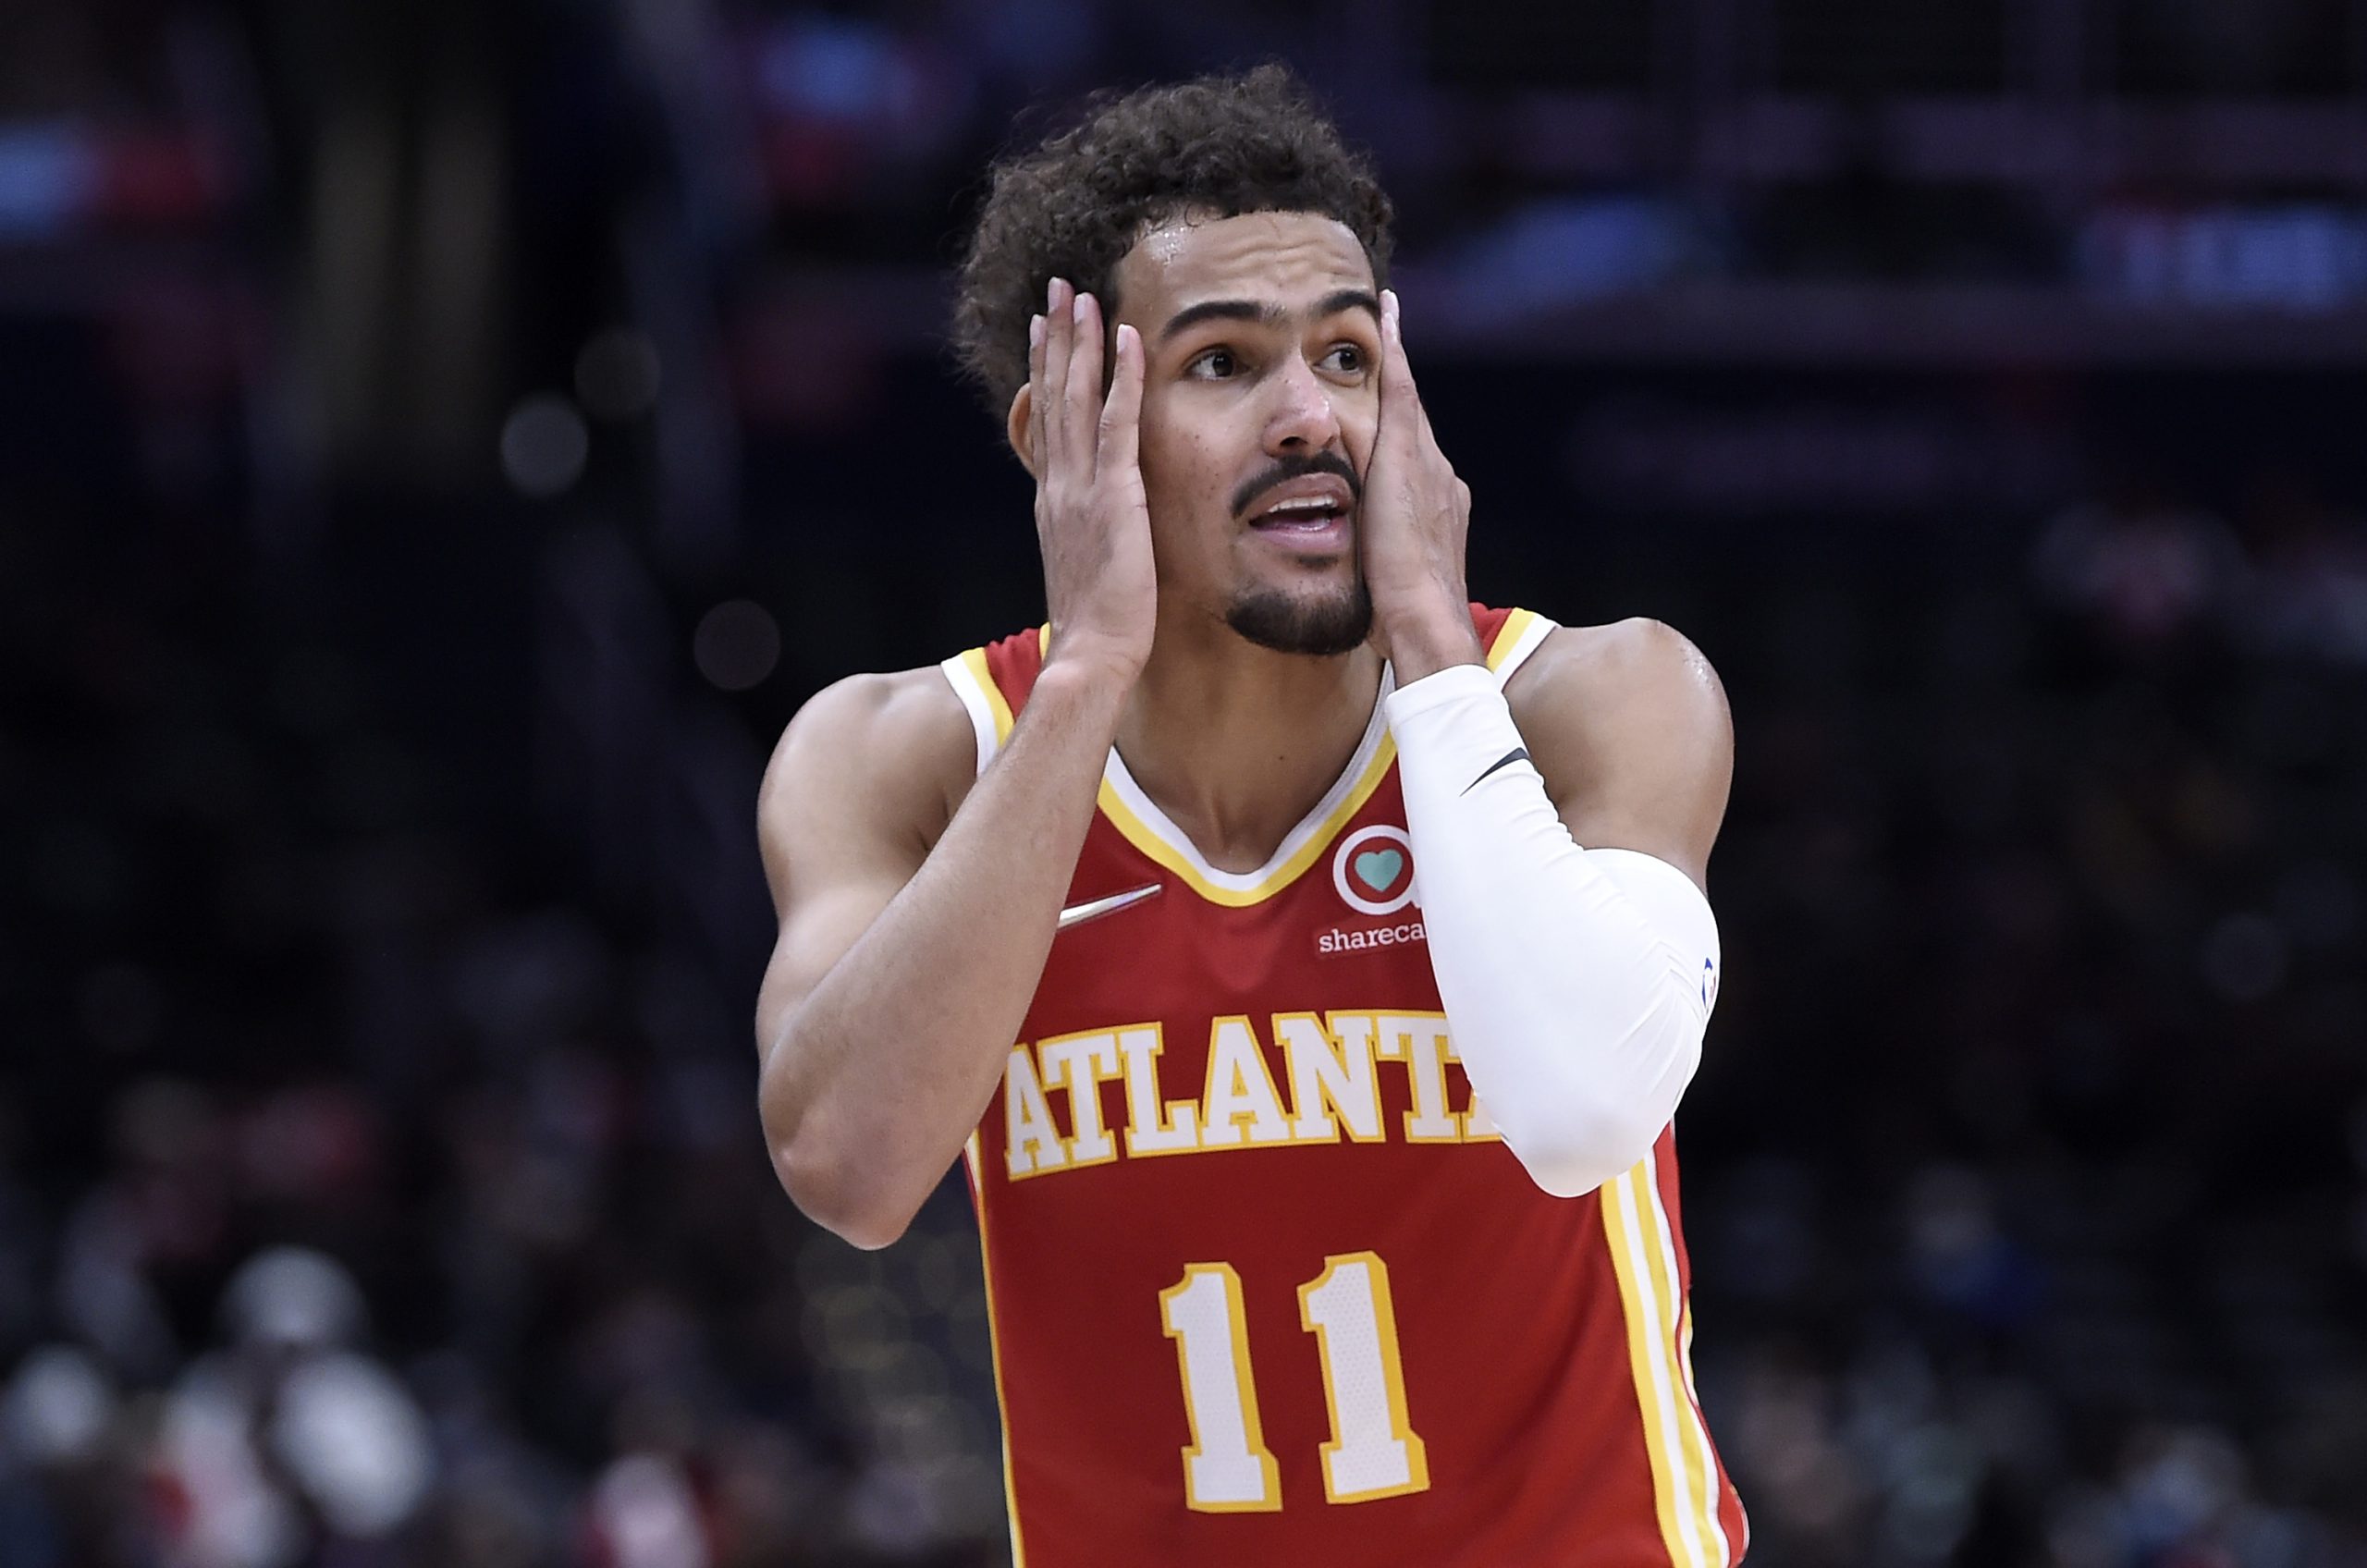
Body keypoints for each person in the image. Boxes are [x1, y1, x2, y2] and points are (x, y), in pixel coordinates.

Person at [754, 65, 1745, 1567]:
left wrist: (1428, 646)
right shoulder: (905, 757)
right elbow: (848, 1168)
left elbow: (1582, 1111)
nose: (1309, 419)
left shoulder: (1594, 703)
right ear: (1062, 429)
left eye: (1347, 359)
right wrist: (1085, 676)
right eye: (1224, 366)